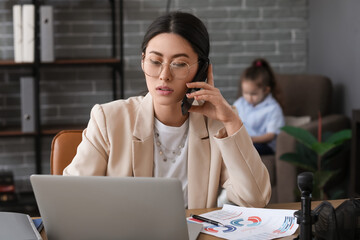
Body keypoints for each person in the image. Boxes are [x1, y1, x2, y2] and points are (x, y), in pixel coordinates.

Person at [63, 11, 271, 209]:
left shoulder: (217, 124)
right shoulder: (108, 119)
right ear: (143, 60)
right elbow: (70, 197)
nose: (164, 75)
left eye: (179, 64)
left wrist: (232, 122)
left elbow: (256, 199)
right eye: (155, 61)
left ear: (200, 70)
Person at [233, 58, 285, 155]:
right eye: (245, 93)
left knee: (244, 149)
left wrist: (249, 139)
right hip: (243, 141)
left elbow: (270, 136)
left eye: (253, 94)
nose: (249, 97)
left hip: (264, 145)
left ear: (266, 90)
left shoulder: (273, 108)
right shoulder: (240, 103)